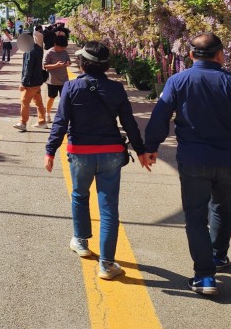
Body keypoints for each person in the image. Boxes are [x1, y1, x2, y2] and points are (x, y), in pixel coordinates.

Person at [144, 32, 231, 296]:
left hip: (193, 160)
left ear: (191, 55)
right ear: (221, 54)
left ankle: (204, 276)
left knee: (195, 217)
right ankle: (218, 257)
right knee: (222, 208)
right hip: (227, 160)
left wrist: (151, 147)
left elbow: (160, 115)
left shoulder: (177, 80)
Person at [44, 41, 152, 280]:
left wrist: (50, 150)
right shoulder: (116, 89)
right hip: (111, 153)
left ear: (82, 63)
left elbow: (61, 122)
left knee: (80, 196)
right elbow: (129, 123)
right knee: (109, 208)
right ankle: (107, 264)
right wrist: (141, 150)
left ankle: (81, 241)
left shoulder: (71, 87)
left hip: (80, 152)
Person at [14, 33, 46, 131]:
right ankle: (42, 121)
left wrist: (23, 83)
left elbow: (28, 68)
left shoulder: (30, 51)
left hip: (31, 82)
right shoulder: (38, 48)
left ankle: (23, 122)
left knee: (24, 100)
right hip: (38, 80)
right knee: (38, 101)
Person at [43, 32, 71, 120]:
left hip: (64, 80)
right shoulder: (49, 53)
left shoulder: (64, 52)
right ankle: (47, 113)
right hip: (52, 81)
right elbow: (44, 66)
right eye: (61, 47)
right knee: (51, 97)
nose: (62, 49)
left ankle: (62, 115)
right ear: (55, 45)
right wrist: (56, 65)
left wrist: (68, 63)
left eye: (64, 47)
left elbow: (69, 61)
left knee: (64, 99)